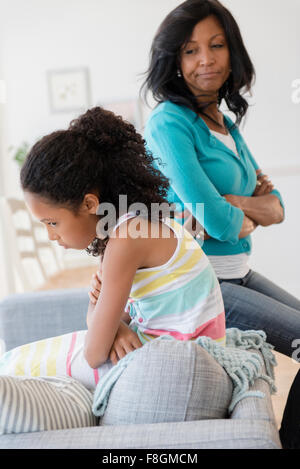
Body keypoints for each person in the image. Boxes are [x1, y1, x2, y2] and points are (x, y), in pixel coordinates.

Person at [142, 0, 300, 448]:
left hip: (239, 273)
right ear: (173, 59)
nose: (206, 59)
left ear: (233, 53)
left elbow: (278, 206)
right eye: (190, 50)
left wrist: (238, 208)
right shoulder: (169, 122)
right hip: (205, 281)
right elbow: (217, 217)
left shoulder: (225, 122)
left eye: (216, 46)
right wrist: (243, 212)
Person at [11, 105, 226, 388]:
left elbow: (94, 352)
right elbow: (106, 319)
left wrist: (109, 324)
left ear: (89, 204)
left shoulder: (126, 240)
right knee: (22, 360)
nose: (51, 235)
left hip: (177, 366)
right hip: (172, 350)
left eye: (52, 223)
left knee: (19, 366)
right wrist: (115, 326)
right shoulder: (133, 225)